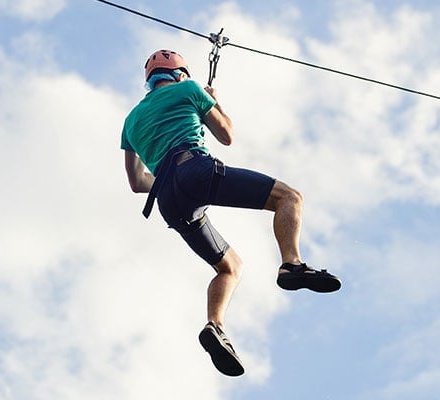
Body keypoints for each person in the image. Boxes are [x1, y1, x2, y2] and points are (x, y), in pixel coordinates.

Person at [121, 49, 341, 377]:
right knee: (289, 197)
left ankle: (216, 326)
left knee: (230, 267)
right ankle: (292, 265)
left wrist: (171, 177)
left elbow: (138, 182)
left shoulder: (131, 121)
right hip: (194, 167)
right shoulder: (189, 88)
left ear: (150, 82)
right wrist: (213, 100)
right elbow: (226, 135)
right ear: (180, 74)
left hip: (167, 200)